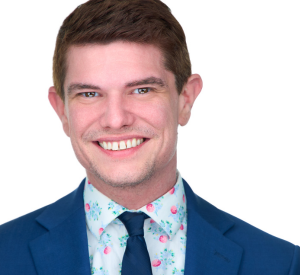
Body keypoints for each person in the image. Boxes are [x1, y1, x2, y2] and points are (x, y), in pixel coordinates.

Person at [0, 0, 299, 274]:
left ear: (185, 100)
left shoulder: (280, 264)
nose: (116, 119)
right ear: (62, 111)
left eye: (142, 90)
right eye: (89, 94)